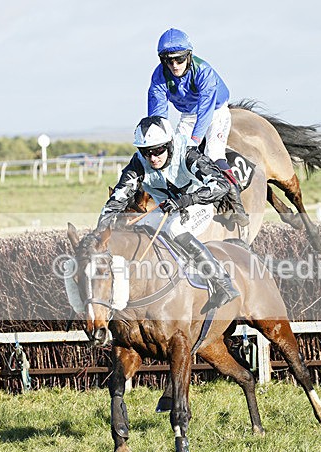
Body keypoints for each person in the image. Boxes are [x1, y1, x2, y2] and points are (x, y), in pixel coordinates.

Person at [89, 116, 240, 314]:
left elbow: (221, 185)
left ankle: (222, 283)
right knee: (133, 230)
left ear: (169, 144)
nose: (152, 158)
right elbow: (116, 201)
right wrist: (100, 234)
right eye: (146, 152)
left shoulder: (187, 153)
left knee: (174, 229)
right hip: (167, 208)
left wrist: (185, 200)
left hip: (197, 204)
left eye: (158, 150)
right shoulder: (138, 164)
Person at [147, 27, 247, 226]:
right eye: (169, 61)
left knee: (212, 152)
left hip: (215, 111)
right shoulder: (159, 76)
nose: (174, 65)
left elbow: (206, 110)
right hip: (189, 114)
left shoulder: (204, 71)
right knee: (174, 153)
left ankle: (238, 207)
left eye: (180, 59)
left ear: (189, 56)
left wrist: (193, 142)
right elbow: (158, 114)